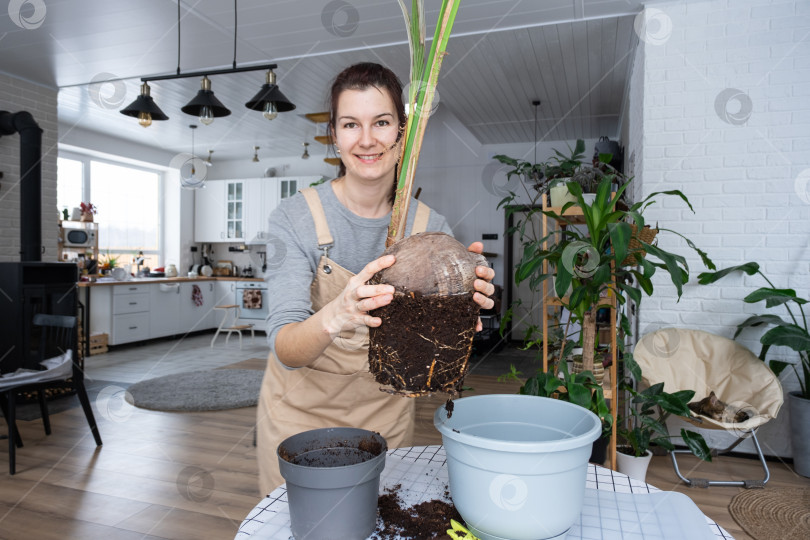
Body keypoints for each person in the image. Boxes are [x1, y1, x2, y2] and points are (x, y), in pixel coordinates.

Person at [256, 62, 495, 494]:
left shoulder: (429, 227)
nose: (367, 140)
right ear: (335, 135)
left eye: (381, 122)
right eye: (351, 124)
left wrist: (462, 306)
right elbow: (287, 348)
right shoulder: (295, 218)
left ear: (402, 134)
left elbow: (432, 348)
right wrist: (338, 313)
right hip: (298, 419)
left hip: (385, 418)